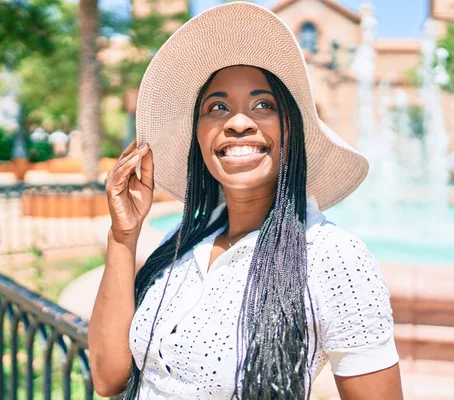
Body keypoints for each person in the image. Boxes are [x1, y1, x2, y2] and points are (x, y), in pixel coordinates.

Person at [88, 3, 403, 399]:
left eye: (264, 105)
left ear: (292, 131)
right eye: (217, 107)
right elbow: (107, 377)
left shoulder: (332, 257)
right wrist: (123, 236)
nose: (237, 122)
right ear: (199, 137)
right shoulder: (182, 242)